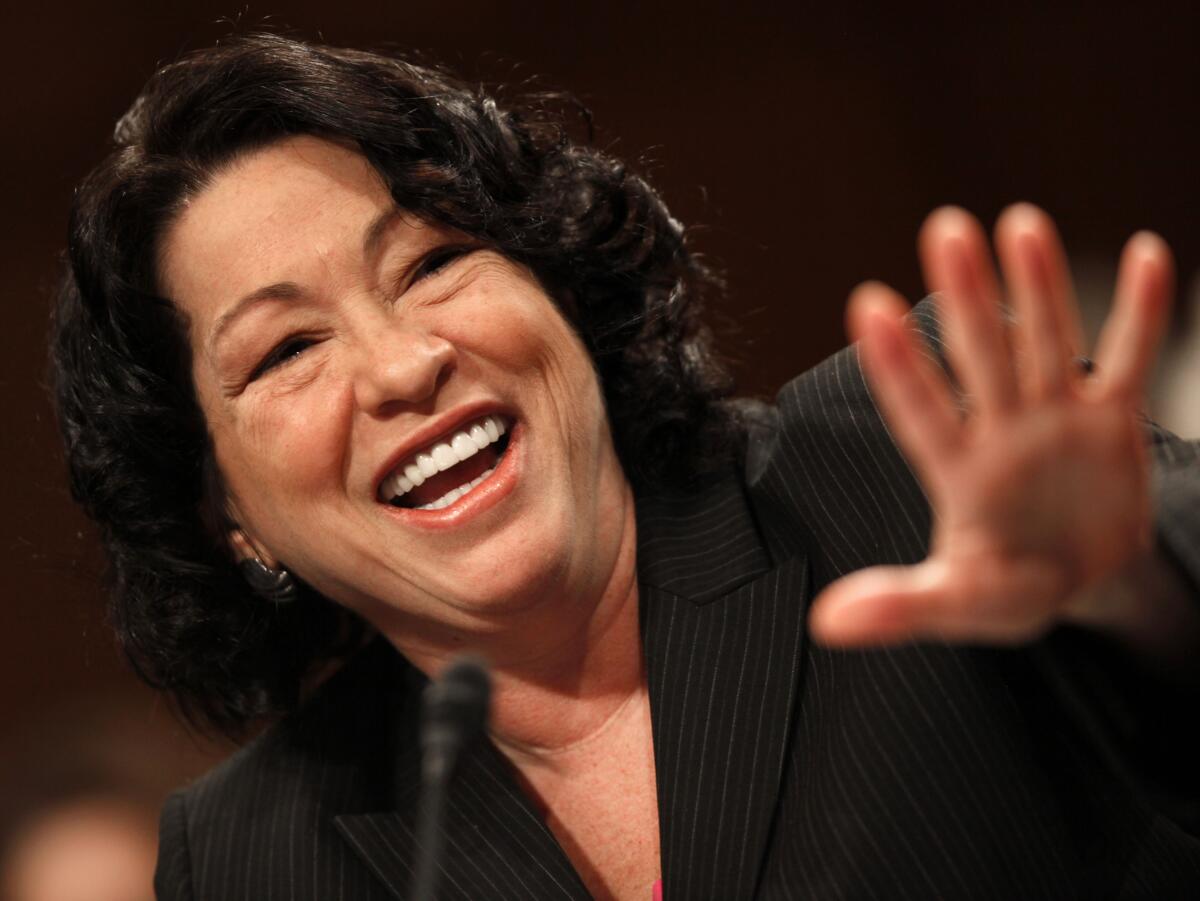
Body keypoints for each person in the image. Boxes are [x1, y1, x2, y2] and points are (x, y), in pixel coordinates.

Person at [51, 33, 1200, 900]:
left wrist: (1131, 589)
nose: (403, 364)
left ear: (556, 282)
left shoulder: (909, 452)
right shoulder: (258, 857)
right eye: (289, 348)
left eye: (433, 261)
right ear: (224, 513)